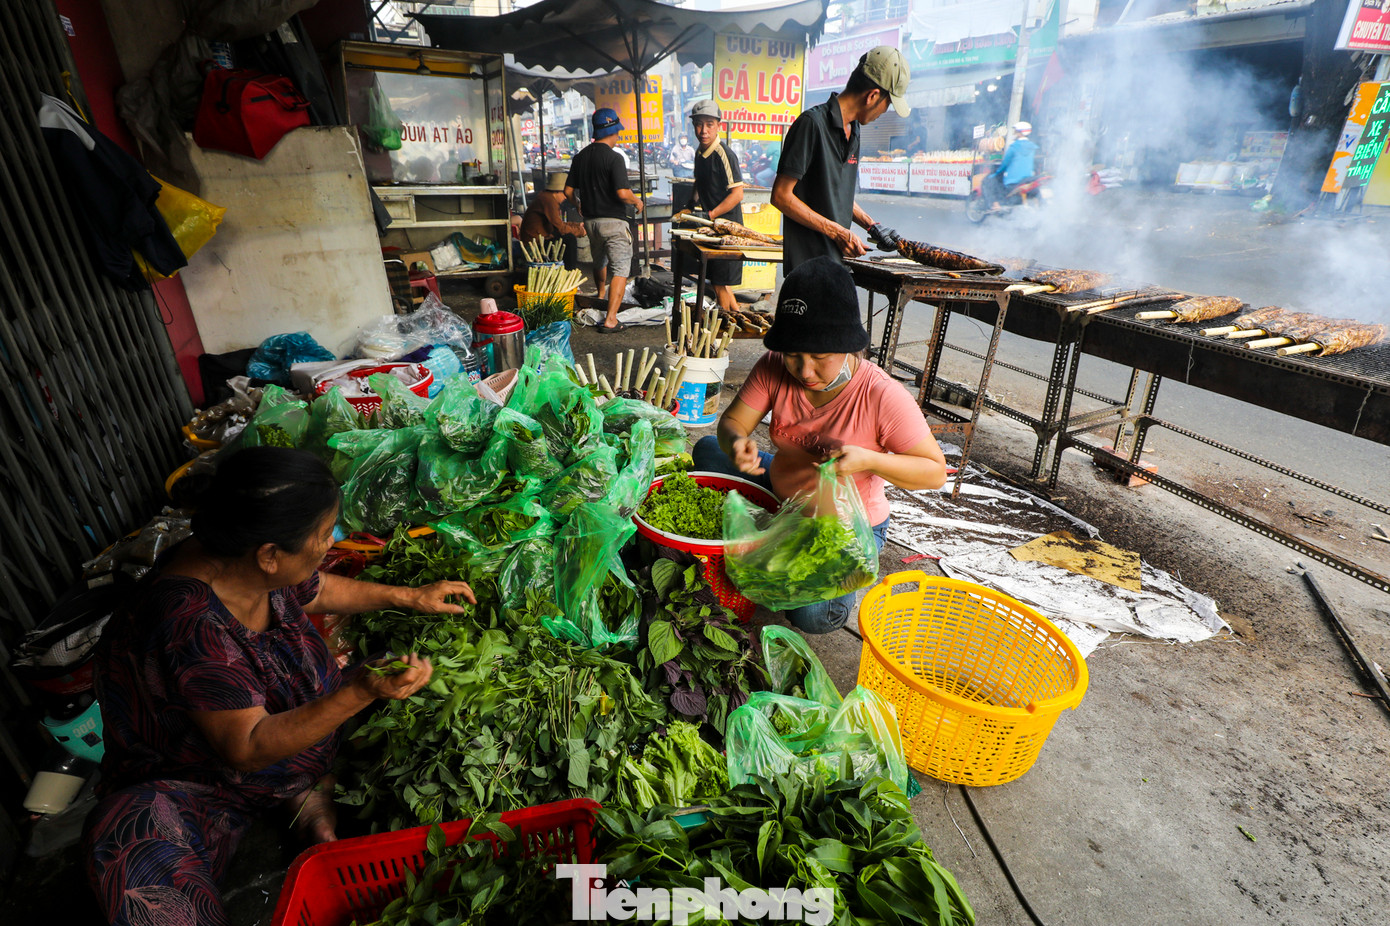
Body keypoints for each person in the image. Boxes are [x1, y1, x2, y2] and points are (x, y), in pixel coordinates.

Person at [84, 447, 475, 926]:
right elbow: (246, 747)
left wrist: (410, 597)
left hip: (283, 724)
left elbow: (318, 589)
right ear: (270, 555)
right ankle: (303, 792)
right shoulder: (188, 623)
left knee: (424, 674)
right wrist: (358, 695)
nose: (330, 543)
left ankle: (305, 793)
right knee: (132, 849)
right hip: (203, 779)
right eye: (321, 536)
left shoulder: (242, 553)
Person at [692, 257, 948, 633]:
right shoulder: (774, 366)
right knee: (706, 450)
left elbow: (934, 472)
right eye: (794, 355)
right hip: (781, 491)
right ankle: (773, 515)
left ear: (847, 348)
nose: (805, 370)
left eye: (819, 358)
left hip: (842, 525)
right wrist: (737, 445)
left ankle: (840, 596)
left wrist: (869, 460)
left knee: (812, 616)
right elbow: (731, 424)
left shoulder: (881, 396)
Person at [772, 46, 910, 272]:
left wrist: (872, 226)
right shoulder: (811, 124)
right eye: (888, 104)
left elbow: (836, 192)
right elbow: (780, 196)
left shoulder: (854, 130)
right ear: (873, 96)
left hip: (836, 265)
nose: (885, 112)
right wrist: (837, 232)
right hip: (807, 267)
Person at [565, 108, 644, 332]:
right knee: (620, 268)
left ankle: (600, 295)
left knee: (599, 261)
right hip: (614, 223)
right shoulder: (614, 158)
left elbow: (568, 190)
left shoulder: (580, 157)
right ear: (614, 130)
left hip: (591, 223)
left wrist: (578, 204)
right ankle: (610, 319)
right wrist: (636, 201)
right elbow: (622, 192)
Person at [688, 100, 746, 315]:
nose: (703, 131)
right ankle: (736, 322)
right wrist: (690, 205)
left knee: (720, 284)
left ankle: (724, 335)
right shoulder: (699, 153)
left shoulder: (724, 154)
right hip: (712, 228)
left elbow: (737, 194)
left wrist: (711, 214)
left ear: (719, 125)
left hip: (728, 228)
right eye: (699, 124)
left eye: (709, 124)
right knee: (721, 283)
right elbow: (698, 182)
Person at [519, 171, 585, 270]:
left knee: (566, 237)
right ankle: (569, 272)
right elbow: (561, 228)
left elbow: (558, 223)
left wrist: (577, 225)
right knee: (570, 239)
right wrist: (580, 231)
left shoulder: (546, 196)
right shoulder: (548, 200)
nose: (565, 197)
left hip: (541, 238)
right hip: (534, 245)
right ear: (558, 191)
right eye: (565, 194)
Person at [984, 121, 1040, 210]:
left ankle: (996, 205)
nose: (1014, 133)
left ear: (1020, 133)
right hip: (1027, 179)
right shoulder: (1032, 147)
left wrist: (996, 173)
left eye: (1016, 131)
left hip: (1013, 181)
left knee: (989, 180)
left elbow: (1004, 164)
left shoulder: (1014, 147)